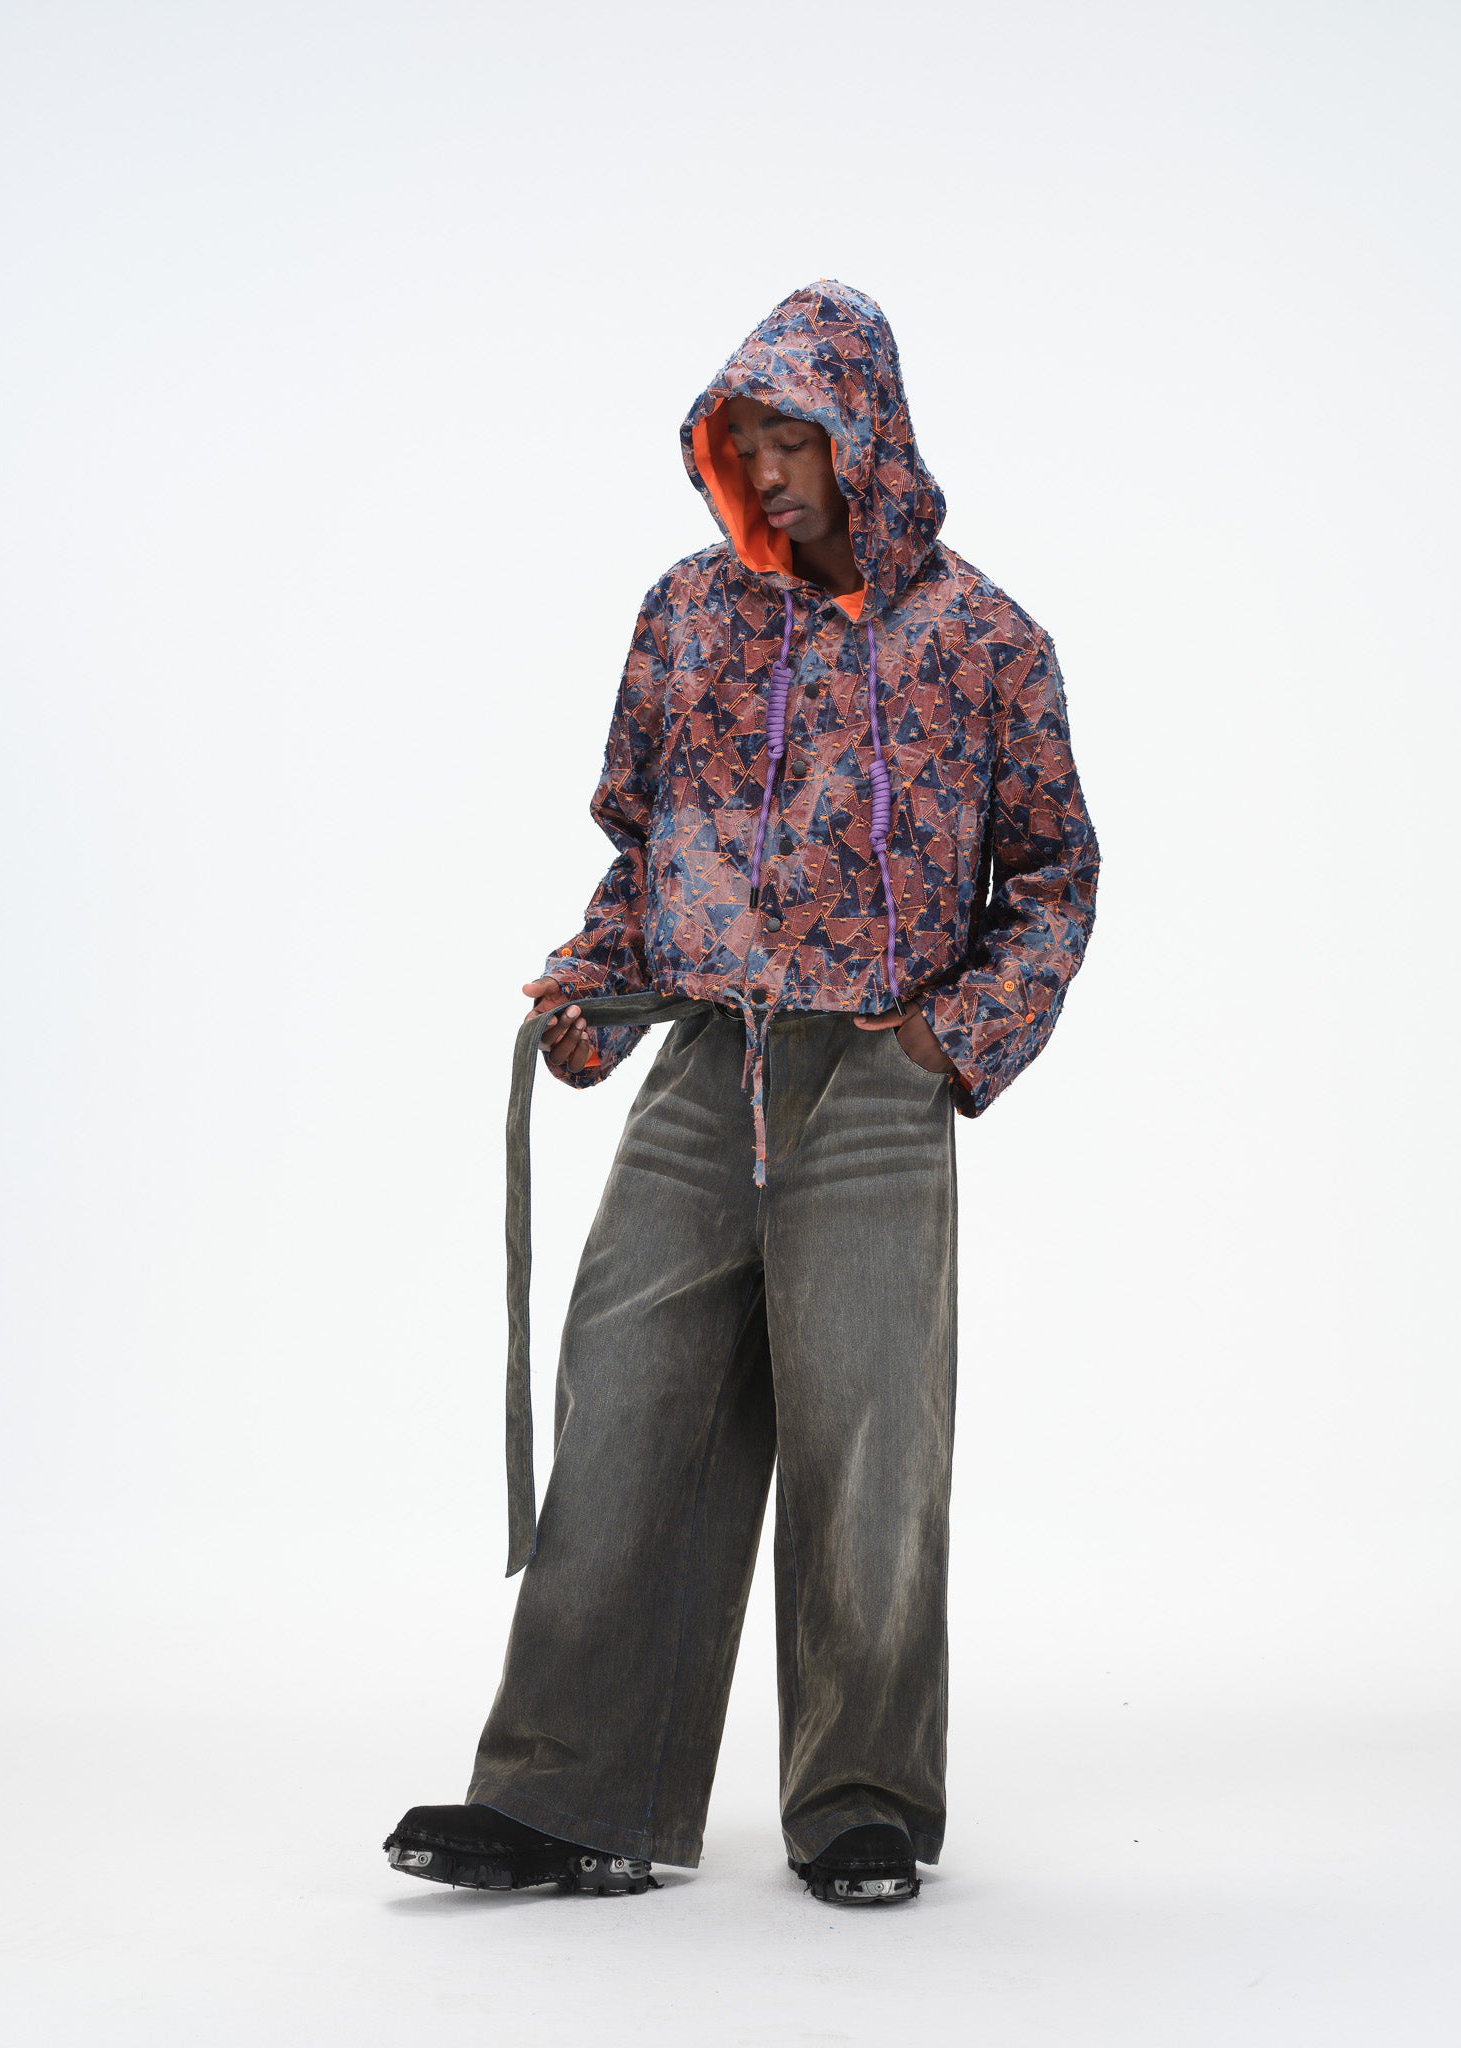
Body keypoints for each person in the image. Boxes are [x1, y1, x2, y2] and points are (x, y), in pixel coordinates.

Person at [383, 280, 1099, 1907]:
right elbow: (645, 849)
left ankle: (860, 1801)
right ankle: (574, 1797)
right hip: (708, 1060)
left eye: (797, 438)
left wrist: (952, 1042)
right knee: (627, 1396)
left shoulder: (988, 643)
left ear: (868, 439)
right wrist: (594, 987)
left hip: (877, 1077)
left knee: (870, 1444)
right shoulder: (688, 615)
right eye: (743, 441)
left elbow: (1056, 878)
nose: (768, 472)